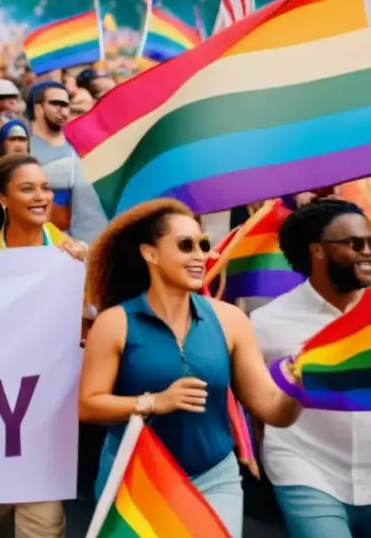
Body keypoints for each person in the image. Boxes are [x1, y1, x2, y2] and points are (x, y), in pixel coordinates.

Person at [78, 198, 304, 536]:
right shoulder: (115, 322)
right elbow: (88, 404)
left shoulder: (230, 320)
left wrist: (297, 388)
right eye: (186, 246)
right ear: (150, 254)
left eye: (203, 245)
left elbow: (273, 411)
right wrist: (153, 402)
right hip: (135, 478)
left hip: (214, 477)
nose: (201, 256)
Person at [0, 154, 84, 538]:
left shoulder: (73, 256)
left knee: (42, 524)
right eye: (27, 188)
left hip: (48, 413)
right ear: (2, 199)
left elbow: (91, 327)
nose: (40, 196)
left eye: (45, 188)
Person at [251, 199, 371, 537]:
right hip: (307, 470)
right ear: (317, 251)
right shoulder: (266, 324)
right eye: (355, 244)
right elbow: (258, 406)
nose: (367, 251)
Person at [27, 81, 106, 243]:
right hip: (40, 243)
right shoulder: (21, 147)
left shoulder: (81, 145)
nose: (63, 110)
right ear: (38, 108)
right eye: (56, 104)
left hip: (86, 243)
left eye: (66, 105)